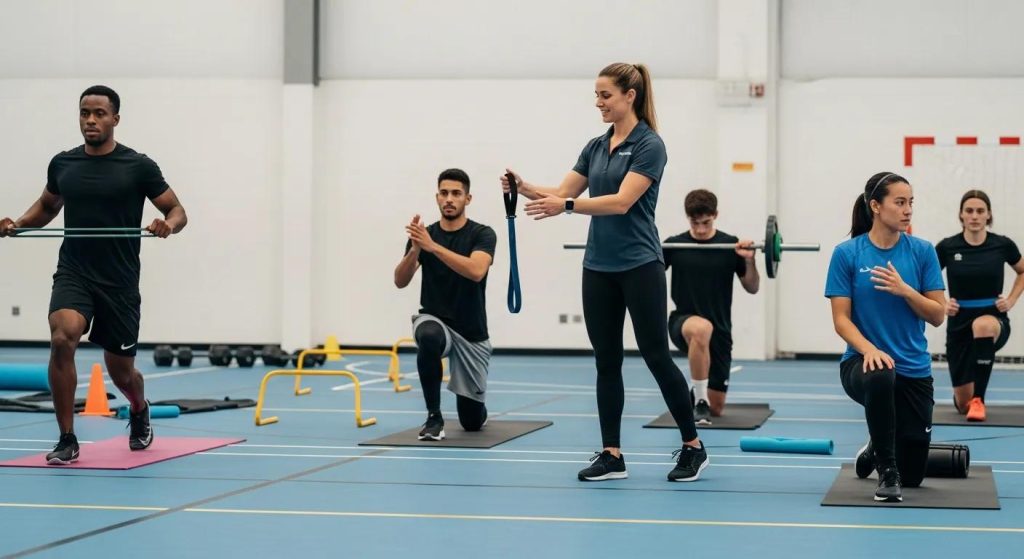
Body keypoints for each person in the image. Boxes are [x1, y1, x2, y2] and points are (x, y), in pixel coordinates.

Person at [502, 62, 707, 482]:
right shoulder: (595, 146)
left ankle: (693, 446)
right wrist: (525, 187)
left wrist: (568, 207)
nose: (598, 103)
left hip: (641, 265)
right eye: (596, 96)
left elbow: (620, 201)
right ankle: (612, 454)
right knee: (606, 360)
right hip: (598, 267)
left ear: (629, 96)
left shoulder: (651, 145)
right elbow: (561, 193)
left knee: (655, 356)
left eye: (605, 95)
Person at [0, 85, 188, 464]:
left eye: (99, 113)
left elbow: (178, 211)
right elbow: (48, 206)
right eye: (85, 112)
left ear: (115, 119)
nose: (90, 120)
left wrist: (167, 224)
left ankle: (139, 408)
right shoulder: (63, 164)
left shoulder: (138, 166)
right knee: (62, 337)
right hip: (75, 271)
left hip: (119, 280)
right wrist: (17, 224)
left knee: (122, 374)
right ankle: (67, 438)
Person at [825, 172, 945, 502]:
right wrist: (868, 350)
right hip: (862, 365)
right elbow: (841, 320)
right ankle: (887, 470)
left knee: (915, 476)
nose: (908, 210)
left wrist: (906, 290)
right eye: (900, 202)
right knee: (881, 374)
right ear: (876, 206)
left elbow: (937, 314)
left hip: (913, 371)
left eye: (911, 203)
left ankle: (877, 444)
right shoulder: (847, 254)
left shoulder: (922, 252)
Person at [394, 168, 496, 441]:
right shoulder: (423, 236)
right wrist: (415, 250)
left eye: (456, 193)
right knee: (427, 336)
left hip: (471, 331)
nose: (449, 199)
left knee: (472, 422)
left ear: (468, 198)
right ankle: (433, 416)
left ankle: (477, 406)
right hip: (436, 320)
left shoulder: (482, 234)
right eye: (444, 193)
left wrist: (433, 247)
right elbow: (400, 281)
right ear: (437, 197)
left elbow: (476, 271)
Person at [664, 189, 758, 425]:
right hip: (683, 322)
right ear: (688, 218)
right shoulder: (675, 245)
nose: (701, 229)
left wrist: (749, 259)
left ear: (715, 215)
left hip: (721, 330)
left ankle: (698, 394)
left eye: (706, 222)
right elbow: (647, 277)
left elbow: (752, 287)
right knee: (701, 329)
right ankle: (700, 402)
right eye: (695, 223)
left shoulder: (730, 245)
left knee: (717, 409)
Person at [936, 190, 1024, 421]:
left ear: (988, 215)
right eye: (969, 211)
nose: (974, 216)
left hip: (992, 319)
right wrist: (943, 302)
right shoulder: (947, 247)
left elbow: (1022, 270)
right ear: (961, 215)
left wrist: (1012, 299)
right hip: (959, 323)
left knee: (982, 326)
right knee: (962, 404)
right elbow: (926, 277)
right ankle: (968, 400)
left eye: (980, 211)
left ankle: (979, 400)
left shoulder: (1002, 245)